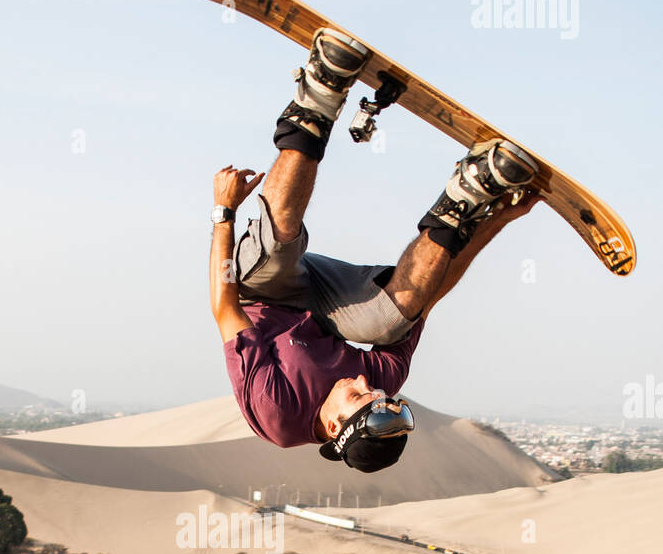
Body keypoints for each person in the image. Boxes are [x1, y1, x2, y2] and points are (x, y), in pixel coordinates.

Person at [209, 27, 540, 473]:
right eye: (374, 393)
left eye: (358, 396)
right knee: (394, 317)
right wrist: (498, 216)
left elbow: (223, 306)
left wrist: (224, 211)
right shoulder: (382, 384)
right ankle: (469, 190)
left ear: (332, 426)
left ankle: (318, 94)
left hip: (257, 293)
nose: (366, 381)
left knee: (277, 246)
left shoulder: (277, 411)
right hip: (322, 303)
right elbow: (431, 293)